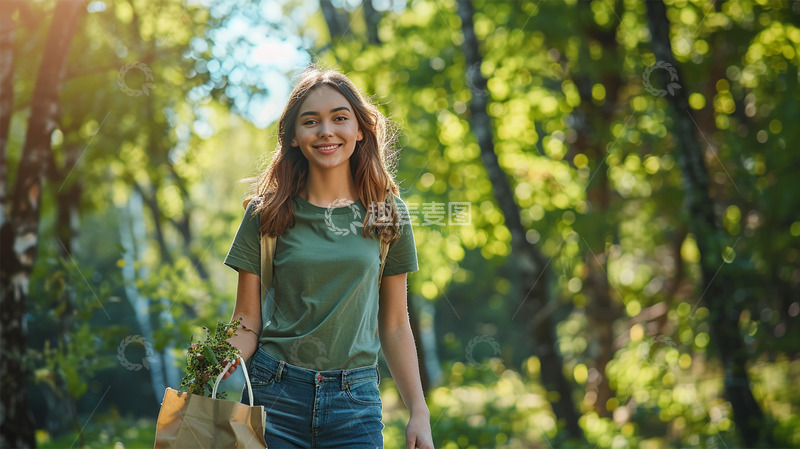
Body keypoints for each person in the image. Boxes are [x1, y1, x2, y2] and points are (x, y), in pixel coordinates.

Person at [219, 66, 435, 449]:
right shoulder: (265, 214)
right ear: (293, 137)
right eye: (310, 122)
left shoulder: (387, 213)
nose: (326, 131)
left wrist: (418, 410)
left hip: (355, 402)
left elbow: (395, 324)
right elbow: (247, 321)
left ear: (360, 129)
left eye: (339, 118)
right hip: (274, 395)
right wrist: (217, 361)